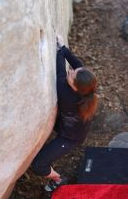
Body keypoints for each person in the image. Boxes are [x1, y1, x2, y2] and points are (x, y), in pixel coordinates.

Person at [31, 35, 98, 191]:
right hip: (70, 126)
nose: (71, 71)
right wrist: (63, 48)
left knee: (39, 165)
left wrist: (60, 51)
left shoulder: (66, 94)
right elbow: (78, 65)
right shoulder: (88, 87)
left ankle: (58, 179)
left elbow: (60, 70)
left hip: (70, 138)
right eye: (73, 71)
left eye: (72, 74)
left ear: (75, 87)